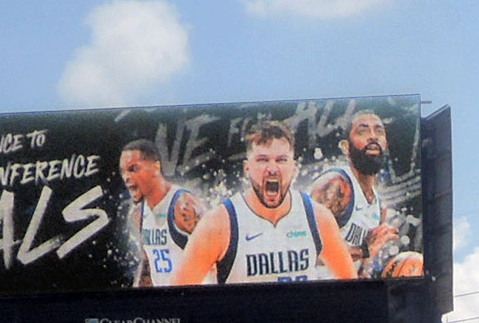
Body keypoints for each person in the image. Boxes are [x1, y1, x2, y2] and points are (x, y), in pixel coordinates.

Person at [171, 121, 353, 285]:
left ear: (294, 168)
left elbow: (353, 289)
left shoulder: (317, 217)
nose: (272, 169)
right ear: (247, 169)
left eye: (281, 160)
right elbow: (177, 298)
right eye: (262, 160)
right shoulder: (218, 224)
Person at [307, 109, 399, 276]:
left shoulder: (378, 207)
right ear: (346, 147)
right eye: (363, 131)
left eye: (379, 131)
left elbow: (360, 269)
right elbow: (302, 253)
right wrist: (363, 250)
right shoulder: (336, 185)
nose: (373, 136)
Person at [119, 140, 205, 287]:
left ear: (156, 167)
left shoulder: (184, 206)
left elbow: (217, 258)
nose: (126, 177)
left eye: (133, 169)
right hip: (167, 304)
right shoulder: (139, 214)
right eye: (123, 171)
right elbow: (147, 266)